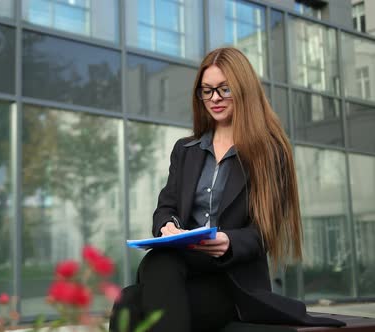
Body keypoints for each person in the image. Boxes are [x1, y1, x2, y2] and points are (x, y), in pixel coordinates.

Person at [109, 47, 345, 331]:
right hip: (182, 267)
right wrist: (168, 227)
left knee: (130, 300)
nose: (215, 98)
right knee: (157, 262)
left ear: (243, 89)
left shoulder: (270, 152)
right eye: (206, 91)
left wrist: (229, 241)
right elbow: (165, 208)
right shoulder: (185, 150)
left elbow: (264, 232)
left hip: (231, 283)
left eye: (224, 89)